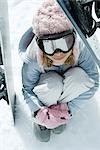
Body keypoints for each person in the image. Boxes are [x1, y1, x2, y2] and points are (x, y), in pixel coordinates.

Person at [18, 0, 99, 142]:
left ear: (73, 38)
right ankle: (44, 119)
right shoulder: (33, 58)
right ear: (39, 45)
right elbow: (27, 89)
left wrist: (68, 109)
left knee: (81, 78)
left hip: (69, 87)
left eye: (64, 42)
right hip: (47, 89)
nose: (58, 53)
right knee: (53, 84)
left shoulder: (80, 48)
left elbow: (93, 81)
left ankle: (58, 114)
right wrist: (38, 111)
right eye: (49, 45)